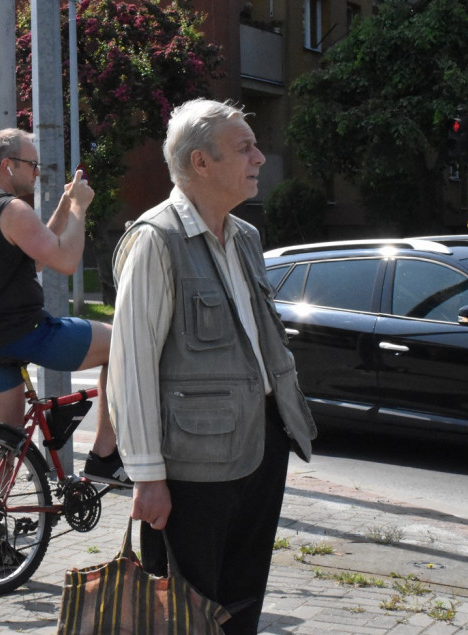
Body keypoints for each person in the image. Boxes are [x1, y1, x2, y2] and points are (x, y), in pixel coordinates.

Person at [106, 99, 317, 635]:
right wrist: (147, 476)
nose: (261, 158)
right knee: (184, 614)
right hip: (191, 469)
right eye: (245, 147)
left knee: (242, 603)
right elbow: (131, 367)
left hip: (260, 446)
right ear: (201, 163)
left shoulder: (245, 236)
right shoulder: (156, 240)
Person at [0, 128, 130, 570]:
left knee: (2, 442)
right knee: (120, 343)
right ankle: (105, 456)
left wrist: (60, 207)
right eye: (32, 164)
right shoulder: (13, 209)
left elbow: (35, 254)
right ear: (8, 166)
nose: (38, 172)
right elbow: (65, 260)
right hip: (27, 332)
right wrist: (79, 208)